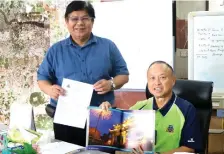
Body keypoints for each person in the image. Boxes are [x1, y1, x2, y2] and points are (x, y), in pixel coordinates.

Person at [37, 1, 129, 146]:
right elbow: (42, 78)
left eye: (85, 18)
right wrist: (50, 89)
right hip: (66, 118)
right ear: (66, 22)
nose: (80, 23)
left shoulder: (108, 46)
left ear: (92, 22)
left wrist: (111, 84)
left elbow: (123, 75)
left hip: (101, 116)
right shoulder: (56, 50)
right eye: (74, 19)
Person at [101, 61, 202, 154]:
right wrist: (107, 111)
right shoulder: (139, 107)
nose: (157, 83)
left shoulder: (186, 109)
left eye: (162, 77)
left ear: (173, 81)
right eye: (152, 78)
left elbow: (189, 148)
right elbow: (118, 131)